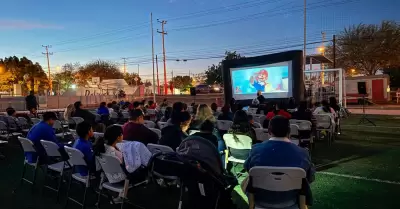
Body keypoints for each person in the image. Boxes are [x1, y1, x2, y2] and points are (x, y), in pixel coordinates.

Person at [244, 116, 314, 207]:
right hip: (291, 200)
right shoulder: (303, 153)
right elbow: (310, 177)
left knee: (246, 180)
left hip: (261, 200)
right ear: (289, 132)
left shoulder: (256, 150)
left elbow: (247, 168)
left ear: (269, 131)